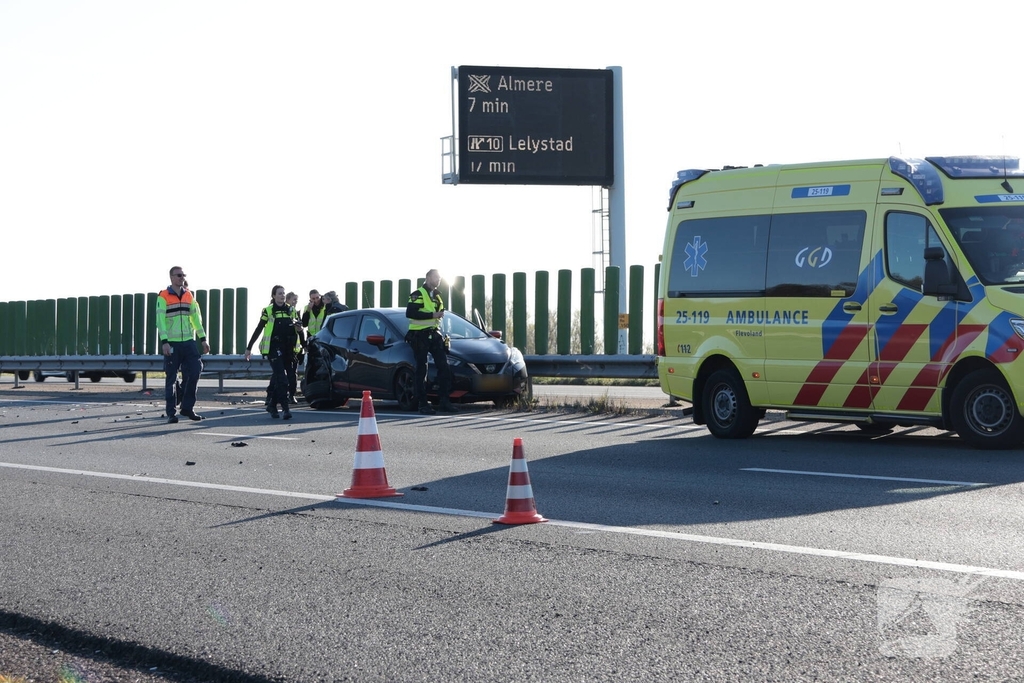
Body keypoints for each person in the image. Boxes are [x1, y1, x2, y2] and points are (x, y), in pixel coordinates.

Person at [157, 266, 209, 423]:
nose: (182, 277)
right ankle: (171, 413)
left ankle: (187, 407)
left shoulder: (189, 296)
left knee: (195, 370)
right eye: (179, 275)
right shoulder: (163, 296)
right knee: (171, 378)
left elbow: (195, 319)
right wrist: (164, 342)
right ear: (171, 277)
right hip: (172, 343)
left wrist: (203, 339)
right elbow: (160, 321)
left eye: (183, 275)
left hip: (188, 342)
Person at [244, 285, 300, 419]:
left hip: (288, 349)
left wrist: (301, 335)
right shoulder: (268, 311)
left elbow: (299, 329)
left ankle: (272, 405)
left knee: (285, 378)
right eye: (279, 293)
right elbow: (258, 329)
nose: (282, 296)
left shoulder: (291, 310)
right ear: (273, 296)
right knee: (282, 378)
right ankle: (286, 409)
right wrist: (249, 347)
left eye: (283, 293)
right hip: (273, 349)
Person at [405, 268, 456, 415]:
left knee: (444, 367)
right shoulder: (418, 294)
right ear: (427, 278)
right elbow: (410, 313)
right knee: (422, 369)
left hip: (434, 334)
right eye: (435, 277)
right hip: (419, 335)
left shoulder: (438, 296)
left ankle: (444, 402)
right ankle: (422, 404)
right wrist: (432, 314)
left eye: (439, 278)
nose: (438, 280)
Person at [285, 291, 303, 404]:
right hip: (284, 347)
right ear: (288, 300)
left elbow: (301, 331)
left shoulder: (296, 313)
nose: (295, 302)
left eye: (296, 299)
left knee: (293, 374)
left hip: (295, 348)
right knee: (280, 374)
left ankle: (291, 395)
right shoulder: (284, 312)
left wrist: (303, 345)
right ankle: (272, 396)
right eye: (294, 299)